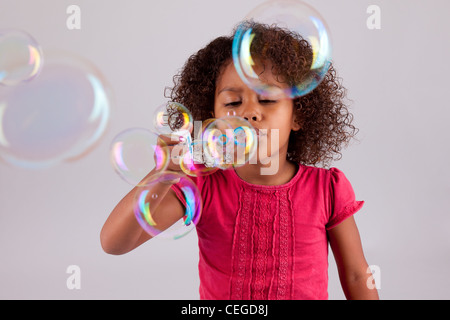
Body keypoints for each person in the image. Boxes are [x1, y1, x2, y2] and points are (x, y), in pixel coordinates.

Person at [100, 21, 379, 300]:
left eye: (267, 100)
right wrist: (164, 173)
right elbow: (115, 243)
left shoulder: (326, 188)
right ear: (212, 118)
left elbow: (356, 274)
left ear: (299, 115)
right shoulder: (202, 185)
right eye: (233, 103)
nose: (249, 113)